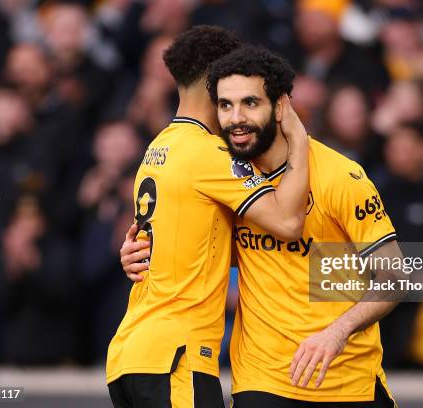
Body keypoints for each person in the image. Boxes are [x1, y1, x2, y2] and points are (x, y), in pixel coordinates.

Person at [122, 46, 401, 407]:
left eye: (250, 103)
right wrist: (143, 253)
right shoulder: (228, 179)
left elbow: (395, 276)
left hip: (344, 381)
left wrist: (337, 332)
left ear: (281, 106)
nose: (236, 118)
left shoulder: (340, 176)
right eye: (225, 105)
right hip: (261, 380)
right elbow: (206, 248)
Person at [106, 26, 310, 408]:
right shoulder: (210, 155)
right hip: (177, 358)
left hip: (133, 353)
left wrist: (128, 253)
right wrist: (299, 139)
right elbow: (288, 223)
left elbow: (188, 243)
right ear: (216, 84)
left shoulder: (158, 148)